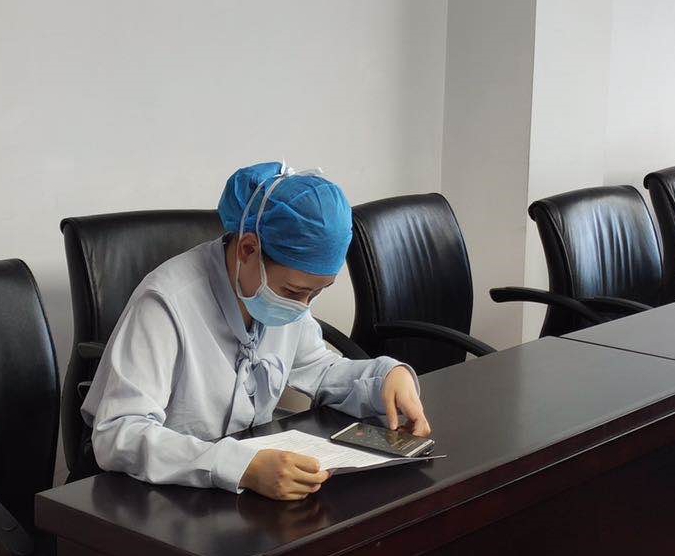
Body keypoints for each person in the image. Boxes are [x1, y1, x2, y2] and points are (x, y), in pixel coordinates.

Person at [81, 161, 431, 500]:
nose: (303, 307)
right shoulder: (166, 302)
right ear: (248, 249)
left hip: (238, 489)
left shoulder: (276, 295)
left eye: (316, 293)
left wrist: (383, 378)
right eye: (294, 291)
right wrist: (240, 467)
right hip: (154, 496)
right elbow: (120, 433)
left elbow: (318, 369)